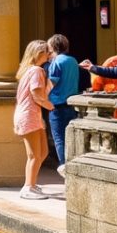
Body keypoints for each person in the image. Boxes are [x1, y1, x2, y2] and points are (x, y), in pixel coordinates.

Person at [13, 40, 53, 200]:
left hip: (32, 114)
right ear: (39, 54)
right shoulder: (36, 70)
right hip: (29, 114)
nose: (50, 54)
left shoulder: (30, 70)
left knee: (43, 152)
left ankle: (32, 184)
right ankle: (28, 187)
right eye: (47, 52)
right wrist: (50, 106)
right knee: (34, 155)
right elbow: (37, 95)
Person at [45, 34, 79, 175]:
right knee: (71, 137)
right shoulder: (72, 60)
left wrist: (41, 96)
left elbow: (51, 83)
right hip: (71, 103)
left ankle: (64, 166)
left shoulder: (56, 62)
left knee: (59, 138)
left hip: (57, 105)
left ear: (52, 47)